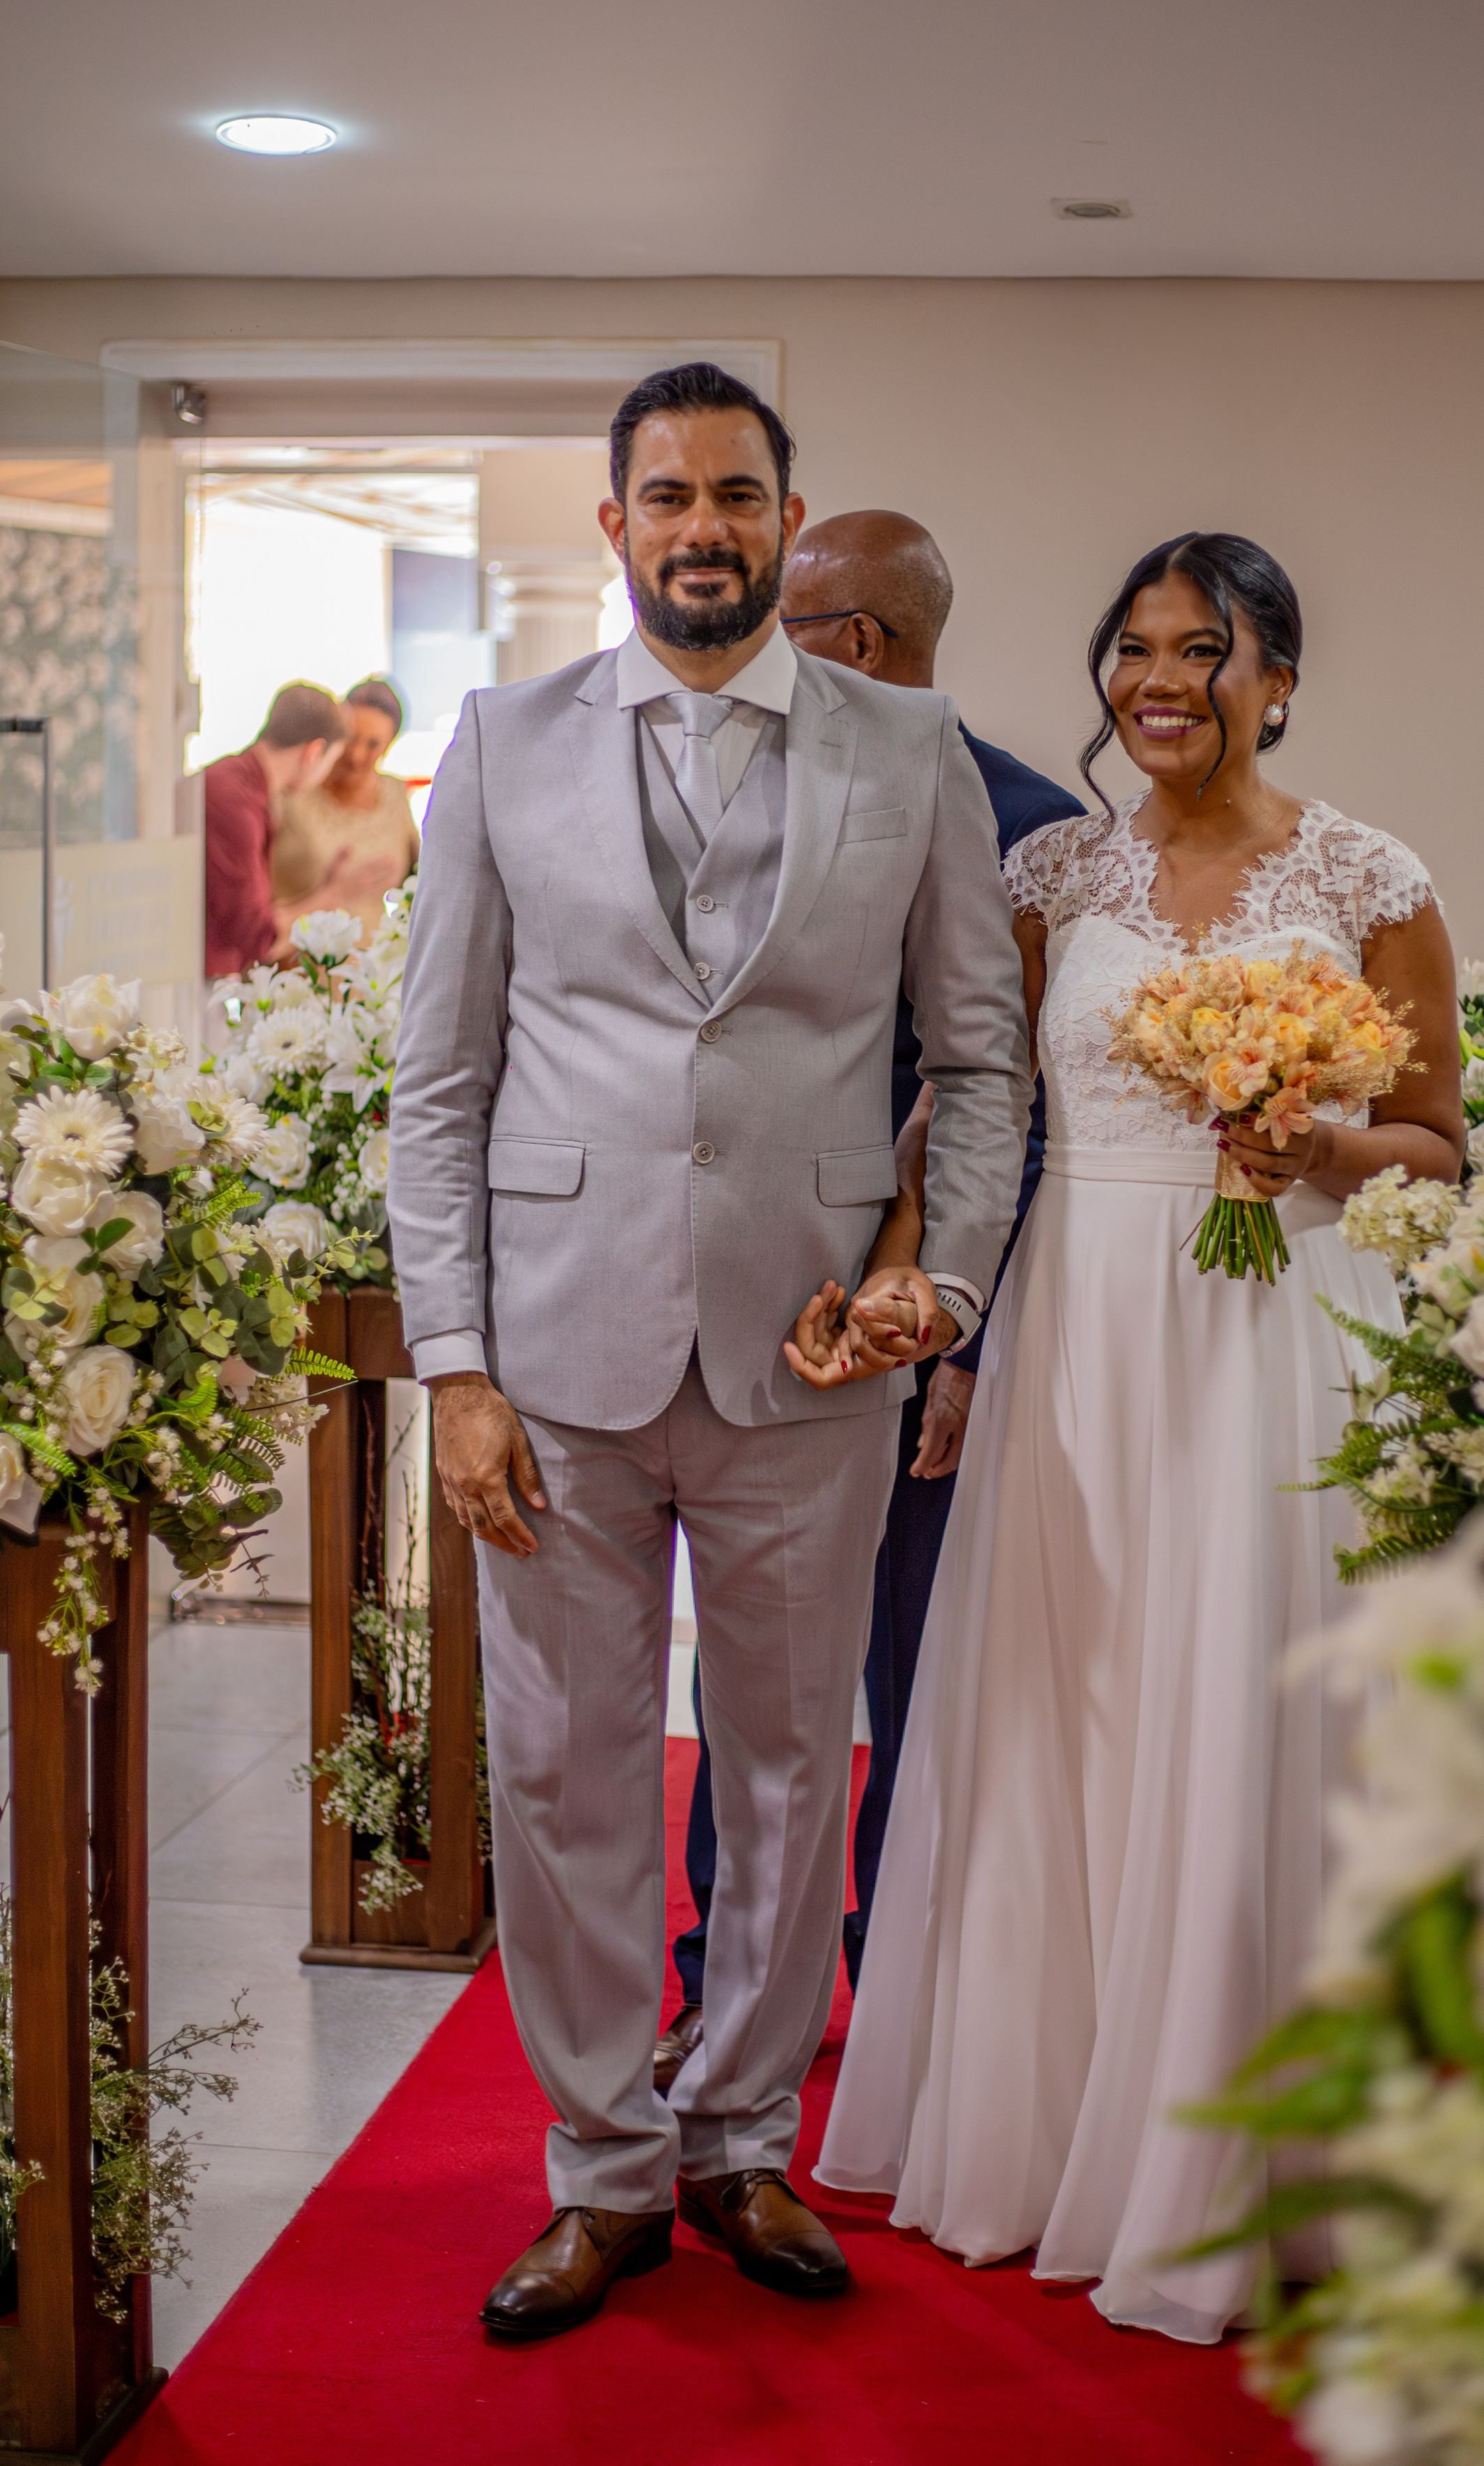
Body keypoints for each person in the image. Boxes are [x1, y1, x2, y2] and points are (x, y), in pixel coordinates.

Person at [388, 363, 1030, 2338]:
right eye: (663, 494)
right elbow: (443, 1077)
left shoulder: (908, 750)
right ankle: (602, 2175)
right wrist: (457, 1364)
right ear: (615, 527)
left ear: (782, 509)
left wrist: (953, 1294)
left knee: (783, 1774)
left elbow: (983, 1062)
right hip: (560, 1363)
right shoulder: (501, 744)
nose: (701, 525)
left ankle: (740, 2138)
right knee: (572, 1779)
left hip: (809, 1359)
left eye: (736, 492)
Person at [818, 532, 1464, 2339]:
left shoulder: (1367, 876)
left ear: (1279, 675)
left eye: (1205, 649)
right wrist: (922, 1299)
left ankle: (1258, 2164)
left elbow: (1435, 1138)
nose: (1158, 680)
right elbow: (968, 1106)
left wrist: (1318, 1147)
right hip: (1082, 1329)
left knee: (1254, 1712)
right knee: (1079, 1706)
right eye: (1134, 648)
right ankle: (1050, 2129)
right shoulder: (1045, 872)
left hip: (1281, 1333)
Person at [657, 513, 1082, 2094]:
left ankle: (896, 1993)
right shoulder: (729, 787)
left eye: (790, 609)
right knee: (747, 1683)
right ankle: (718, 1981)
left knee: (916, 1671)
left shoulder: (1032, 826)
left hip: (926, 1332)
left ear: (853, 642)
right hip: (747, 1333)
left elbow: (1022, 1101)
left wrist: (958, 1327)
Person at [202, 683, 347, 979]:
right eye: (331, 763)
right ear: (314, 752)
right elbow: (257, 939)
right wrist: (332, 895)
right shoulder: (236, 801)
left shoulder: (237, 784)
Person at [271, 674, 420, 944]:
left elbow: (421, 887)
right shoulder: (294, 790)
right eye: (352, 738)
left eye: (373, 744)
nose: (357, 755)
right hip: (297, 973)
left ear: (389, 745)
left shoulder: (397, 796)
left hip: (371, 976)